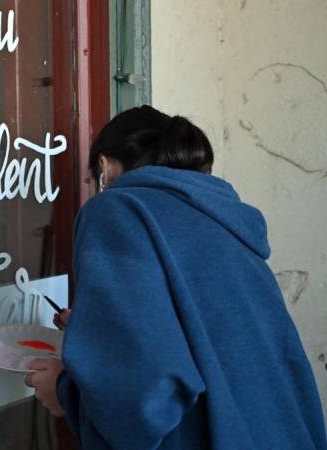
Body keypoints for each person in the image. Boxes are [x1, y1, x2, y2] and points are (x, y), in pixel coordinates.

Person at [25, 106, 327, 449]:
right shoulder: (223, 218)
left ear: (105, 168)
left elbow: (143, 398)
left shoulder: (117, 209)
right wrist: (97, 334)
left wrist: (67, 393)